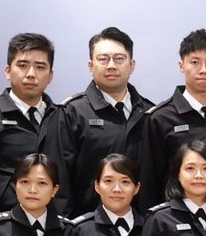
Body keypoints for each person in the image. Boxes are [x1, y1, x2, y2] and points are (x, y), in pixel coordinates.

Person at [135, 28, 206, 216]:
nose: (204, 70)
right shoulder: (160, 118)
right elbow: (149, 181)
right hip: (173, 225)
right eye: (195, 62)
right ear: (181, 65)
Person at [45, 27, 153, 219]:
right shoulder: (71, 113)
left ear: (132, 64)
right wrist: (65, 228)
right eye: (103, 59)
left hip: (142, 228)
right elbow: (58, 178)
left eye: (119, 58)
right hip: (86, 227)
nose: (111, 65)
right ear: (90, 65)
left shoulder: (150, 114)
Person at [0, 32, 60, 212]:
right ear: (8, 71)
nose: (31, 74)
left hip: (52, 224)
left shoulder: (62, 117)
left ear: (50, 75)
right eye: (23, 65)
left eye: (40, 67)